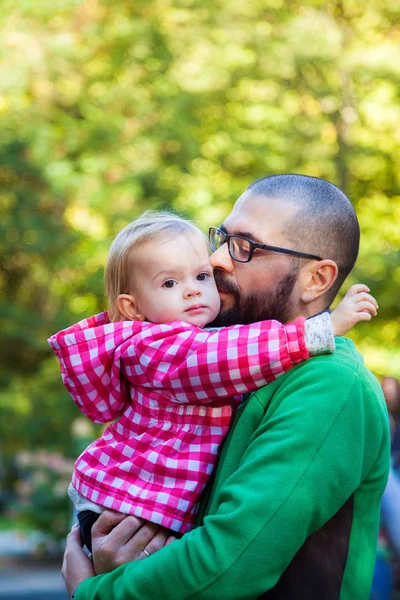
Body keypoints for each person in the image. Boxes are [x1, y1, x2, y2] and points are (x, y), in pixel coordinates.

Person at [62, 174, 390, 600]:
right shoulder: (233, 371)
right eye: (222, 238)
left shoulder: (330, 385)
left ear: (316, 280)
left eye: (245, 247)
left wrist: (97, 592)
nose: (216, 260)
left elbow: (229, 564)